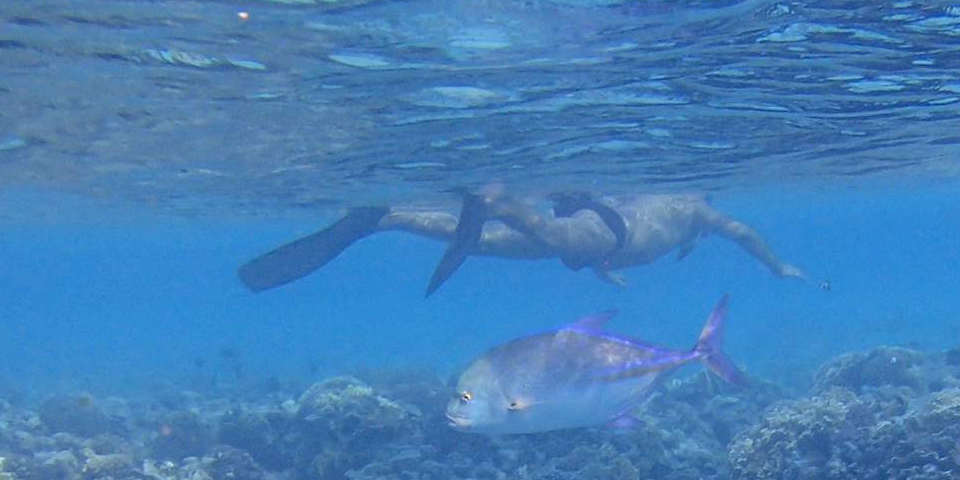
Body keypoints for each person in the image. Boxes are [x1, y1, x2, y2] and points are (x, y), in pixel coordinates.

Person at [237, 188, 816, 295]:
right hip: (605, 231)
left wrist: (602, 269)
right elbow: (743, 233)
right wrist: (778, 266)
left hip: (601, 241)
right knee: (541, 229)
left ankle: (386, 218)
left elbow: (632, 238)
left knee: (483, 244)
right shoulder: (698, 209)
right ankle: (500, 199)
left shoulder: (684, 214)